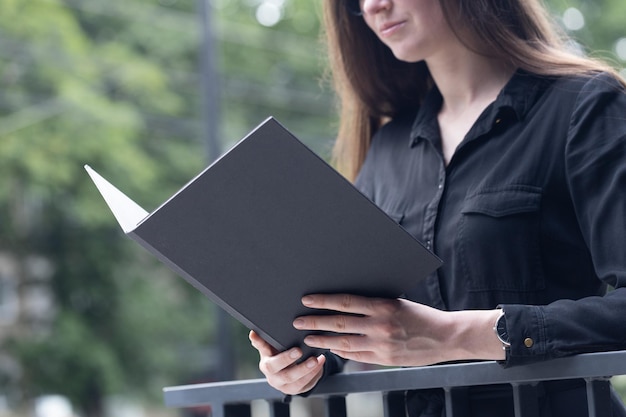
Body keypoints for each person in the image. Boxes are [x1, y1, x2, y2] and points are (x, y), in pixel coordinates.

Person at [249, 0, 626, 415]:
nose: (374, 5)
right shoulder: (387, 149)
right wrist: (302, 362)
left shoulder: (583, 106)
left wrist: (457, 335)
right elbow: (352, 312)